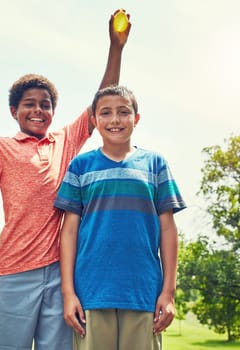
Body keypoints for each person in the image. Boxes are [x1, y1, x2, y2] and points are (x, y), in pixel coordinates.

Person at [0, 10, 131, 350]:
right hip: (14, 271)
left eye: (46, 104)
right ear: (14, 112)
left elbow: (101, 100)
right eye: (29, 104)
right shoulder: (1, 147)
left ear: (54, 110)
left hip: (62, 275)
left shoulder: (65, 141)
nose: (38, 110)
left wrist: (116, 48)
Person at [54, 85, 186, 350]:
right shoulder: (80, 166)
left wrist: (168, 293)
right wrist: (68, 294)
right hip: (90, 293)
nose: (115, 119)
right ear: (94, 120)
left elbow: (169, 231)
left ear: (136, 118)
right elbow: (68, 233)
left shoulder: (155, 164)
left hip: (142, 292)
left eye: (123, 112)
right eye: (105, 113)